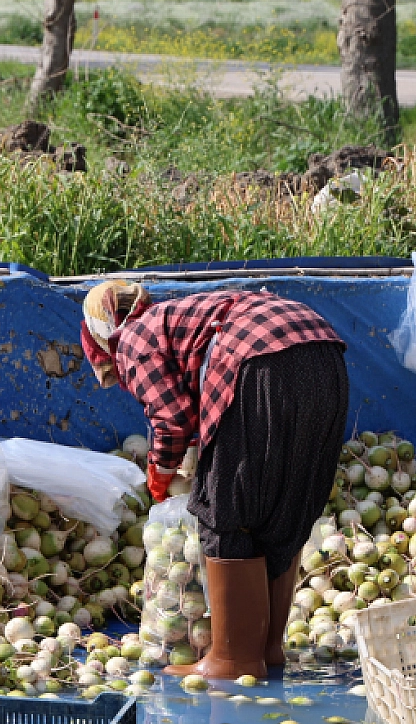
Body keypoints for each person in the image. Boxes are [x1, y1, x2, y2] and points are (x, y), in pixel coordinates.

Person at [81, 281, 348, 679]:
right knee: (283, 508)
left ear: (102, 330)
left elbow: (172, 419)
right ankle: (266, 649)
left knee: (226, 510)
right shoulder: (179, 319)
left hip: (261, 361)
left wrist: (159, 476)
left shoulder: (132, 336)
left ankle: (232, 660)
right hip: (325, 357)